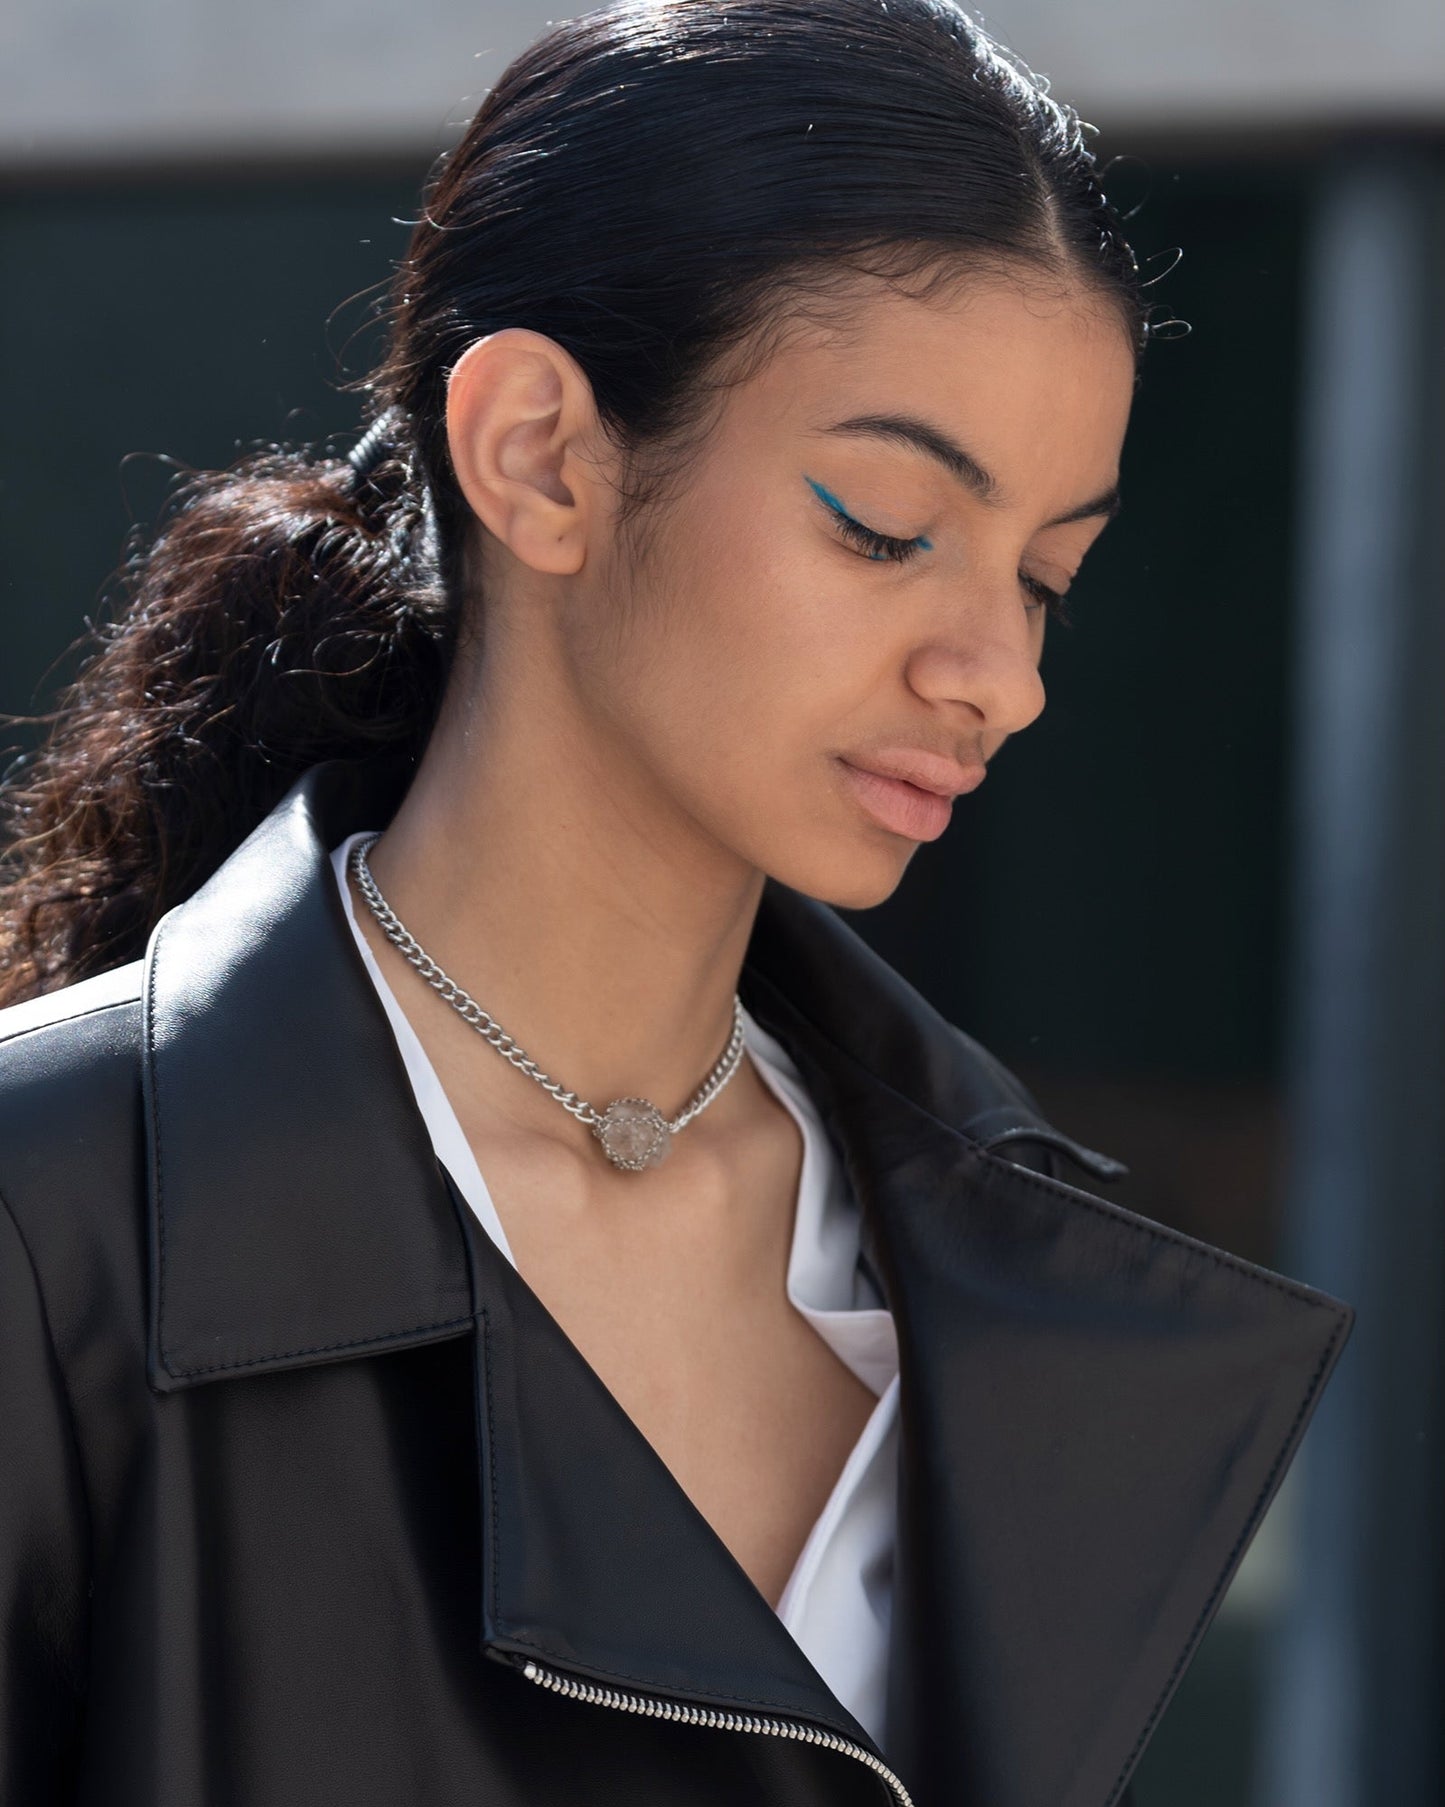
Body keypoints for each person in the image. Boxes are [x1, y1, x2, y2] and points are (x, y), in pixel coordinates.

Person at [0, 1, 1351, 1802]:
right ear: (542, 454)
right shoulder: (54, 1224)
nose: (999, 677)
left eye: (1046, 575)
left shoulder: (987, 1264)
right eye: (884, 525)